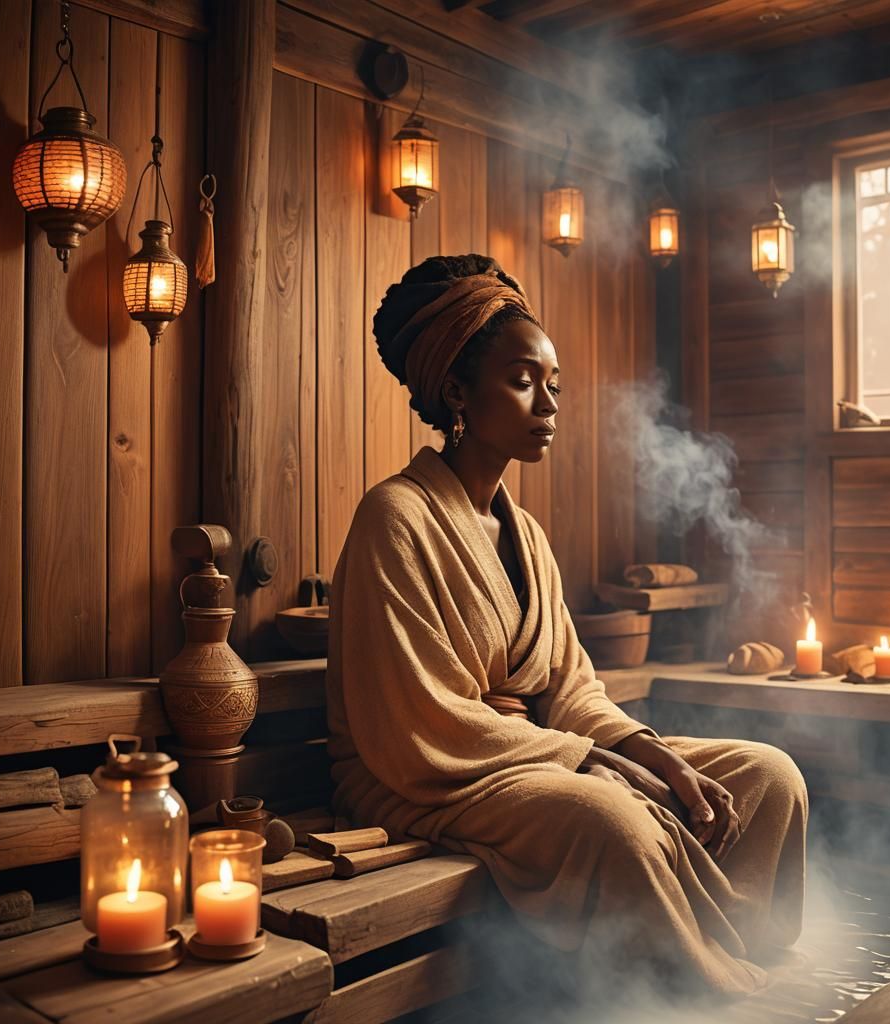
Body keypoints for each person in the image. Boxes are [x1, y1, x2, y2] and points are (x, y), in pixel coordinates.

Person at [326, 254, 807, 998]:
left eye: (553, 386)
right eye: (523, 382)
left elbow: (573, 687)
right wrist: (591, 763)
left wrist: (649, 752)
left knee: (768, 777)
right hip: (433, 771)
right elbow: (420, 720)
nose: (548, 405)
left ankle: (745, 944)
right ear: (456, 390)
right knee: (610, 816)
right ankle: (689, 988)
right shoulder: (395, 517)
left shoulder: (527, 534)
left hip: (534, 753)